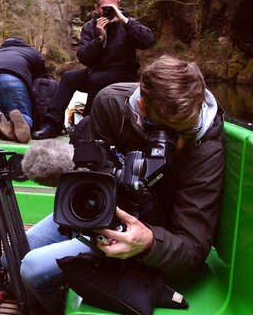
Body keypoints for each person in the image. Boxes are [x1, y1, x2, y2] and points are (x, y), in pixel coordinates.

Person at [19, 55, 225, 313]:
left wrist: (148, 242)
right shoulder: (111, 102)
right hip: (101, 209)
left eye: (187, 131)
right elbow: (90, 169)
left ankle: (56, 307)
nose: (180, 145)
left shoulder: (207, 150)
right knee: (13, 253)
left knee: (32, 269)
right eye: (168, 133)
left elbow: (193, 249)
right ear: (142, 105)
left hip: (147, 232)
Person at [32, 0, 155, 140]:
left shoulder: (127, 23)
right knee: (69, 77)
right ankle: (51, 124)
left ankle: (87, 127)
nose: (110, 12)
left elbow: (148, 41)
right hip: (95, 72)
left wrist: (124, 21)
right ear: (96, 8)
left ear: (119, 7)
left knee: (96, 80)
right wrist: (100, 39)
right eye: (105, 8)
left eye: (114, 8)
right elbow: (83, 57)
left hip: (123, 74)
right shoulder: (90, 27)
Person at [0, 37, 47, 143]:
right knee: (21, 113)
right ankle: (23, 120)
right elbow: (43, 79)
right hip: (13, 78)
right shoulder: (31, 52)